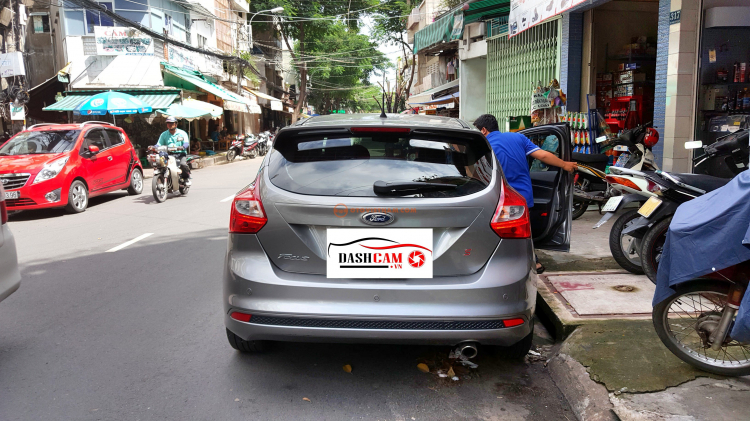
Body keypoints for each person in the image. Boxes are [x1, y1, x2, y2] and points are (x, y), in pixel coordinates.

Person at [473, 114, 577, 272]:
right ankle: (533, 262)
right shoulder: (518, 138)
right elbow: (542, 155)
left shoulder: (483, 145)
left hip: (496, 197)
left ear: (484, 130)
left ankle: (495, 263)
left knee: (494, 231)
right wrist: (565, 164)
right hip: (522, 196)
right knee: (522, 232)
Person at [157, 116, 192, 186]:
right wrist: (154, 147)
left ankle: (186, 178)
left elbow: (186, 143)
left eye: (171, 123)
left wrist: (183, 146)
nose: (169, 125)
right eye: (168, 123)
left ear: (176, 124)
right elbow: (159, 144)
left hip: (180, 154)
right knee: (160, 165)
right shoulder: (164, 134)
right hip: (169, 155)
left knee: (182, 164)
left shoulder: (182, 133)